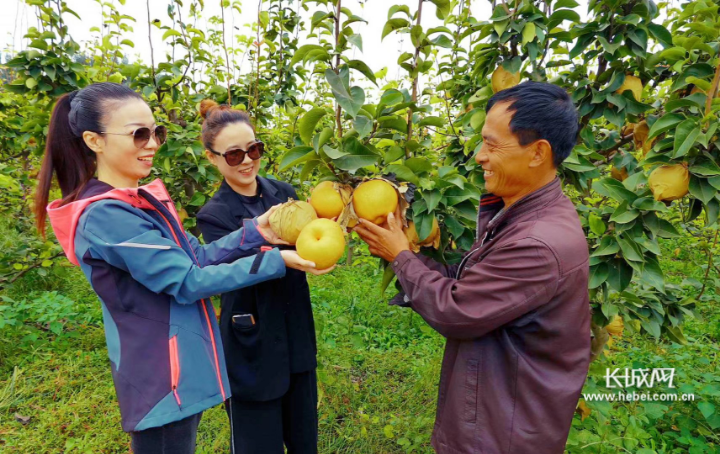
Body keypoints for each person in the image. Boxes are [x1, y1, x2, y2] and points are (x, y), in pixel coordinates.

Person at [34, 82, 318, 454]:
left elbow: (194, 256)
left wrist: (255, 232)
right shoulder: (106, 216)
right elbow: (188, 280)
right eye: (138, 134)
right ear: (94, 140)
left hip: (180, 369)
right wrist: (275, 259)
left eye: (156, 132)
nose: (151, 143)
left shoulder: (139, 200)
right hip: (159, 377)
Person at [354, 81, 591, 454]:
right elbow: (475, 285)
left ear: (537, 153)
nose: (480, 155)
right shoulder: (521, 213)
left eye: (493, 144)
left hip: (504, 434)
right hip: (503, 414)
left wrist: (401, 257)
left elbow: (458, 310)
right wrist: (400, 252)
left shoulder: (537, 243)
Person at [196, 100, 324, 454]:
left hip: (295, 330)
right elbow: (233, 271)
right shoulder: (214, 215)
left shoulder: (283, 194)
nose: (248, 160)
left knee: (304, 441)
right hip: (249, 338)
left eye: (254, 149)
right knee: (258, 443)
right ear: (212, 158)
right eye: (234, 155)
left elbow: (312, 239)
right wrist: (285, 258)